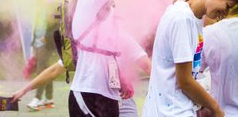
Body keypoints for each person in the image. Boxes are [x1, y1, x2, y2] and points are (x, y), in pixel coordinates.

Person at [68, 0, 199, 117]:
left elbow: (102, 49)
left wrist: (121, 78)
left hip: (105, 96)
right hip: (89, 95)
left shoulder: (106, 4)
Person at [141, 0, 238, 117]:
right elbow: (185, 81)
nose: (225, 14)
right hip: (171, 112)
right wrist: (216, 108)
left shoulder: (194, 18)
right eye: (227, 6)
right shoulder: (182, 18)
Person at [11, 28, 152, 117]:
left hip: (122, 105)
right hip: (90, 104)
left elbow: (147, 66)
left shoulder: (120, 35)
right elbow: (55, 70)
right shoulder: (82, 41)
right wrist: (24, 90)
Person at [26, 3, 56, 111]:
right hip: (38, 44)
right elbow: (36, 27)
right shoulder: (39, 9)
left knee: (41, 72)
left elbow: (58, 27)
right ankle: (49, 99)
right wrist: (34, 43)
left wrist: (46, 37)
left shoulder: (54, 7)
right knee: (46, 71)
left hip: (46, 45)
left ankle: (37, 99)